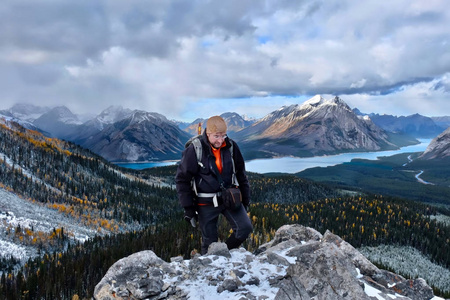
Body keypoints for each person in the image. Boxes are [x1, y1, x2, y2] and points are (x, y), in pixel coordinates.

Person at [176, 116, 253, 255]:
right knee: (209, 241)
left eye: (223, 135)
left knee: (244, 228)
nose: (220, 140)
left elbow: (241, 174)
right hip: (205, 202)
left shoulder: (231, 147)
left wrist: (245, 199)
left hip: (229, 198)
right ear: (208, 133)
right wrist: (188, 209)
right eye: (217, 136)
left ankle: (224, 253)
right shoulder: (195, 149)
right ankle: (210, 268)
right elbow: (182, 179)